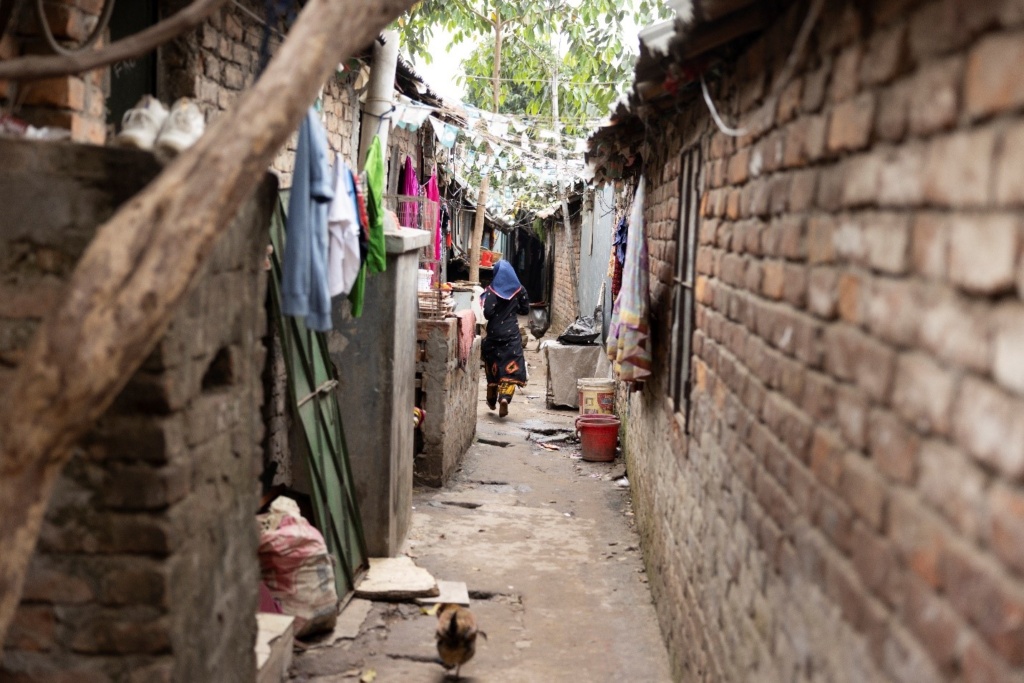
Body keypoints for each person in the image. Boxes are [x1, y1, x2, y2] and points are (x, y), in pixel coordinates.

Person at [481, 260, 529, 417]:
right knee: (511, 365)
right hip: (512, 334)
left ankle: (491, 396)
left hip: (494, 333)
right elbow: (524, 309)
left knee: (493, 362)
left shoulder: (492, 291)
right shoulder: (519, 290)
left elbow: (487, 313)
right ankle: (504, 398)